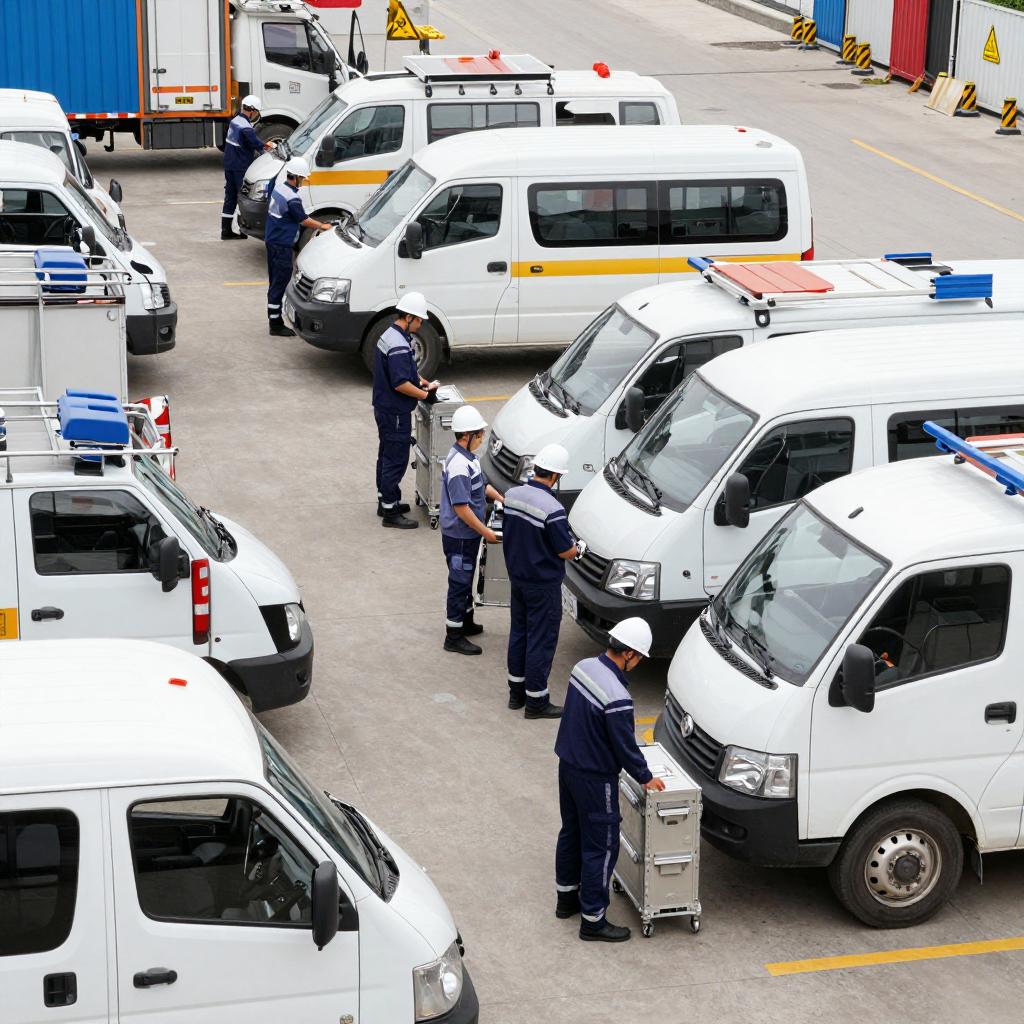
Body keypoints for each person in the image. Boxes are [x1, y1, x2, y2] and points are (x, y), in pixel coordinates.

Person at [553, 617, 665, 943]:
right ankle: (593, 919)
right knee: (601, 846)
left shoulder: (583, 667)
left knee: (571, 832)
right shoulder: (617, 696)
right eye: (639, 658)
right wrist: (646, 777)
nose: (639, 663)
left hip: (568, 766)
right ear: (628, 653)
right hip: (595, 778)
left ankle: (566, 899)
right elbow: (625, 747)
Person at [502, 443, 578, 720]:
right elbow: (565, 550)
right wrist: (579, 549)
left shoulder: (511, 495)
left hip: (518, 578)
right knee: (541, 639)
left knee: (519, 632)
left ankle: (516, 692)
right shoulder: (552, 508)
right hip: (542, 584)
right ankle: (536, 701)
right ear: (556, 476)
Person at [440, 406, 504, 655]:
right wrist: (486, 532)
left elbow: (482, 486)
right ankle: (453, 635)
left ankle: (466, 621)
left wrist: (500, 498)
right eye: (479, 434)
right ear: (466, 436)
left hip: (469, 535)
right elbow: (461, 508)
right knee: (459, 581)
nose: (481, 438)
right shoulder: (457, 467)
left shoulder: (470, 460)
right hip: (459, 536)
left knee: (466, 577)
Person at [372, 292, 437, 528]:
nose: (421, 324)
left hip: (385, 408)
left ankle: (385, 502)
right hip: (395, 412)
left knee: (386, 455)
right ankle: (391, 513)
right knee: (395, 459)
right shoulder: (399, 344)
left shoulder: (390, 335)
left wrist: (421, 380)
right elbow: (400, 383)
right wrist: (425, 394)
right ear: (408, 317)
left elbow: (405, 371)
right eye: (419, 320)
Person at [264, 158, 332, 337]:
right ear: (294, 177)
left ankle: (273, 316)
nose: (303, 182)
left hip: (272, 240)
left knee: (274, 281)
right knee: (280, 281)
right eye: (302, 178)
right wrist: (322, 226)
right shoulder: (293, 198)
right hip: (281, 244)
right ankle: (275, 323)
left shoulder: (279, 188)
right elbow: (303, 219)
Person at [221, 95, 271, 240]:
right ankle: (242, 229)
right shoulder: (246, 128)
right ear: (252, 110)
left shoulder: (235, 121)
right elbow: (257, 144)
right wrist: (269, 147)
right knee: (244, 198)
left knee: (230, 197)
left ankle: (226, 231)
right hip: (240, 167)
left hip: (229, 165)